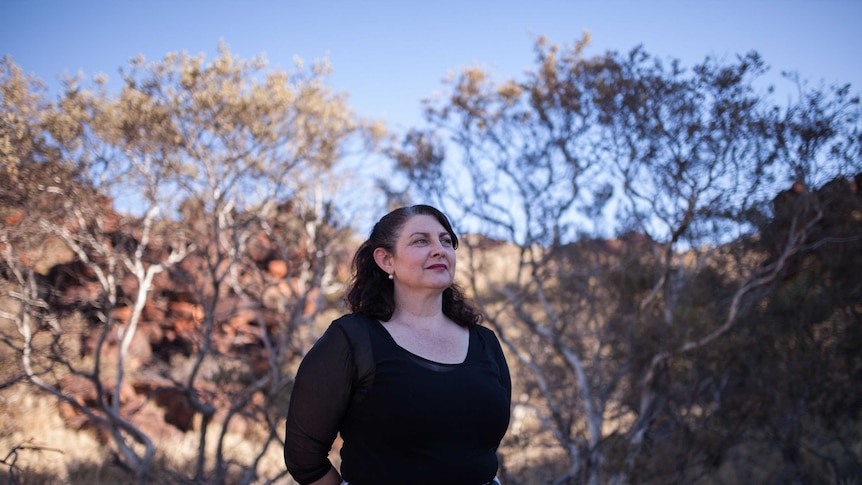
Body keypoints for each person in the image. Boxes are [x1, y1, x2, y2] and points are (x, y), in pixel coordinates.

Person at [284, 204, 511, 485]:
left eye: (446, 240)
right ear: (386, 260)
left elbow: (479, 449)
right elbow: (303, 456)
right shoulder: (353, 339)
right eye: (420, 241)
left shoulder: (484, 341)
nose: (440, 249)